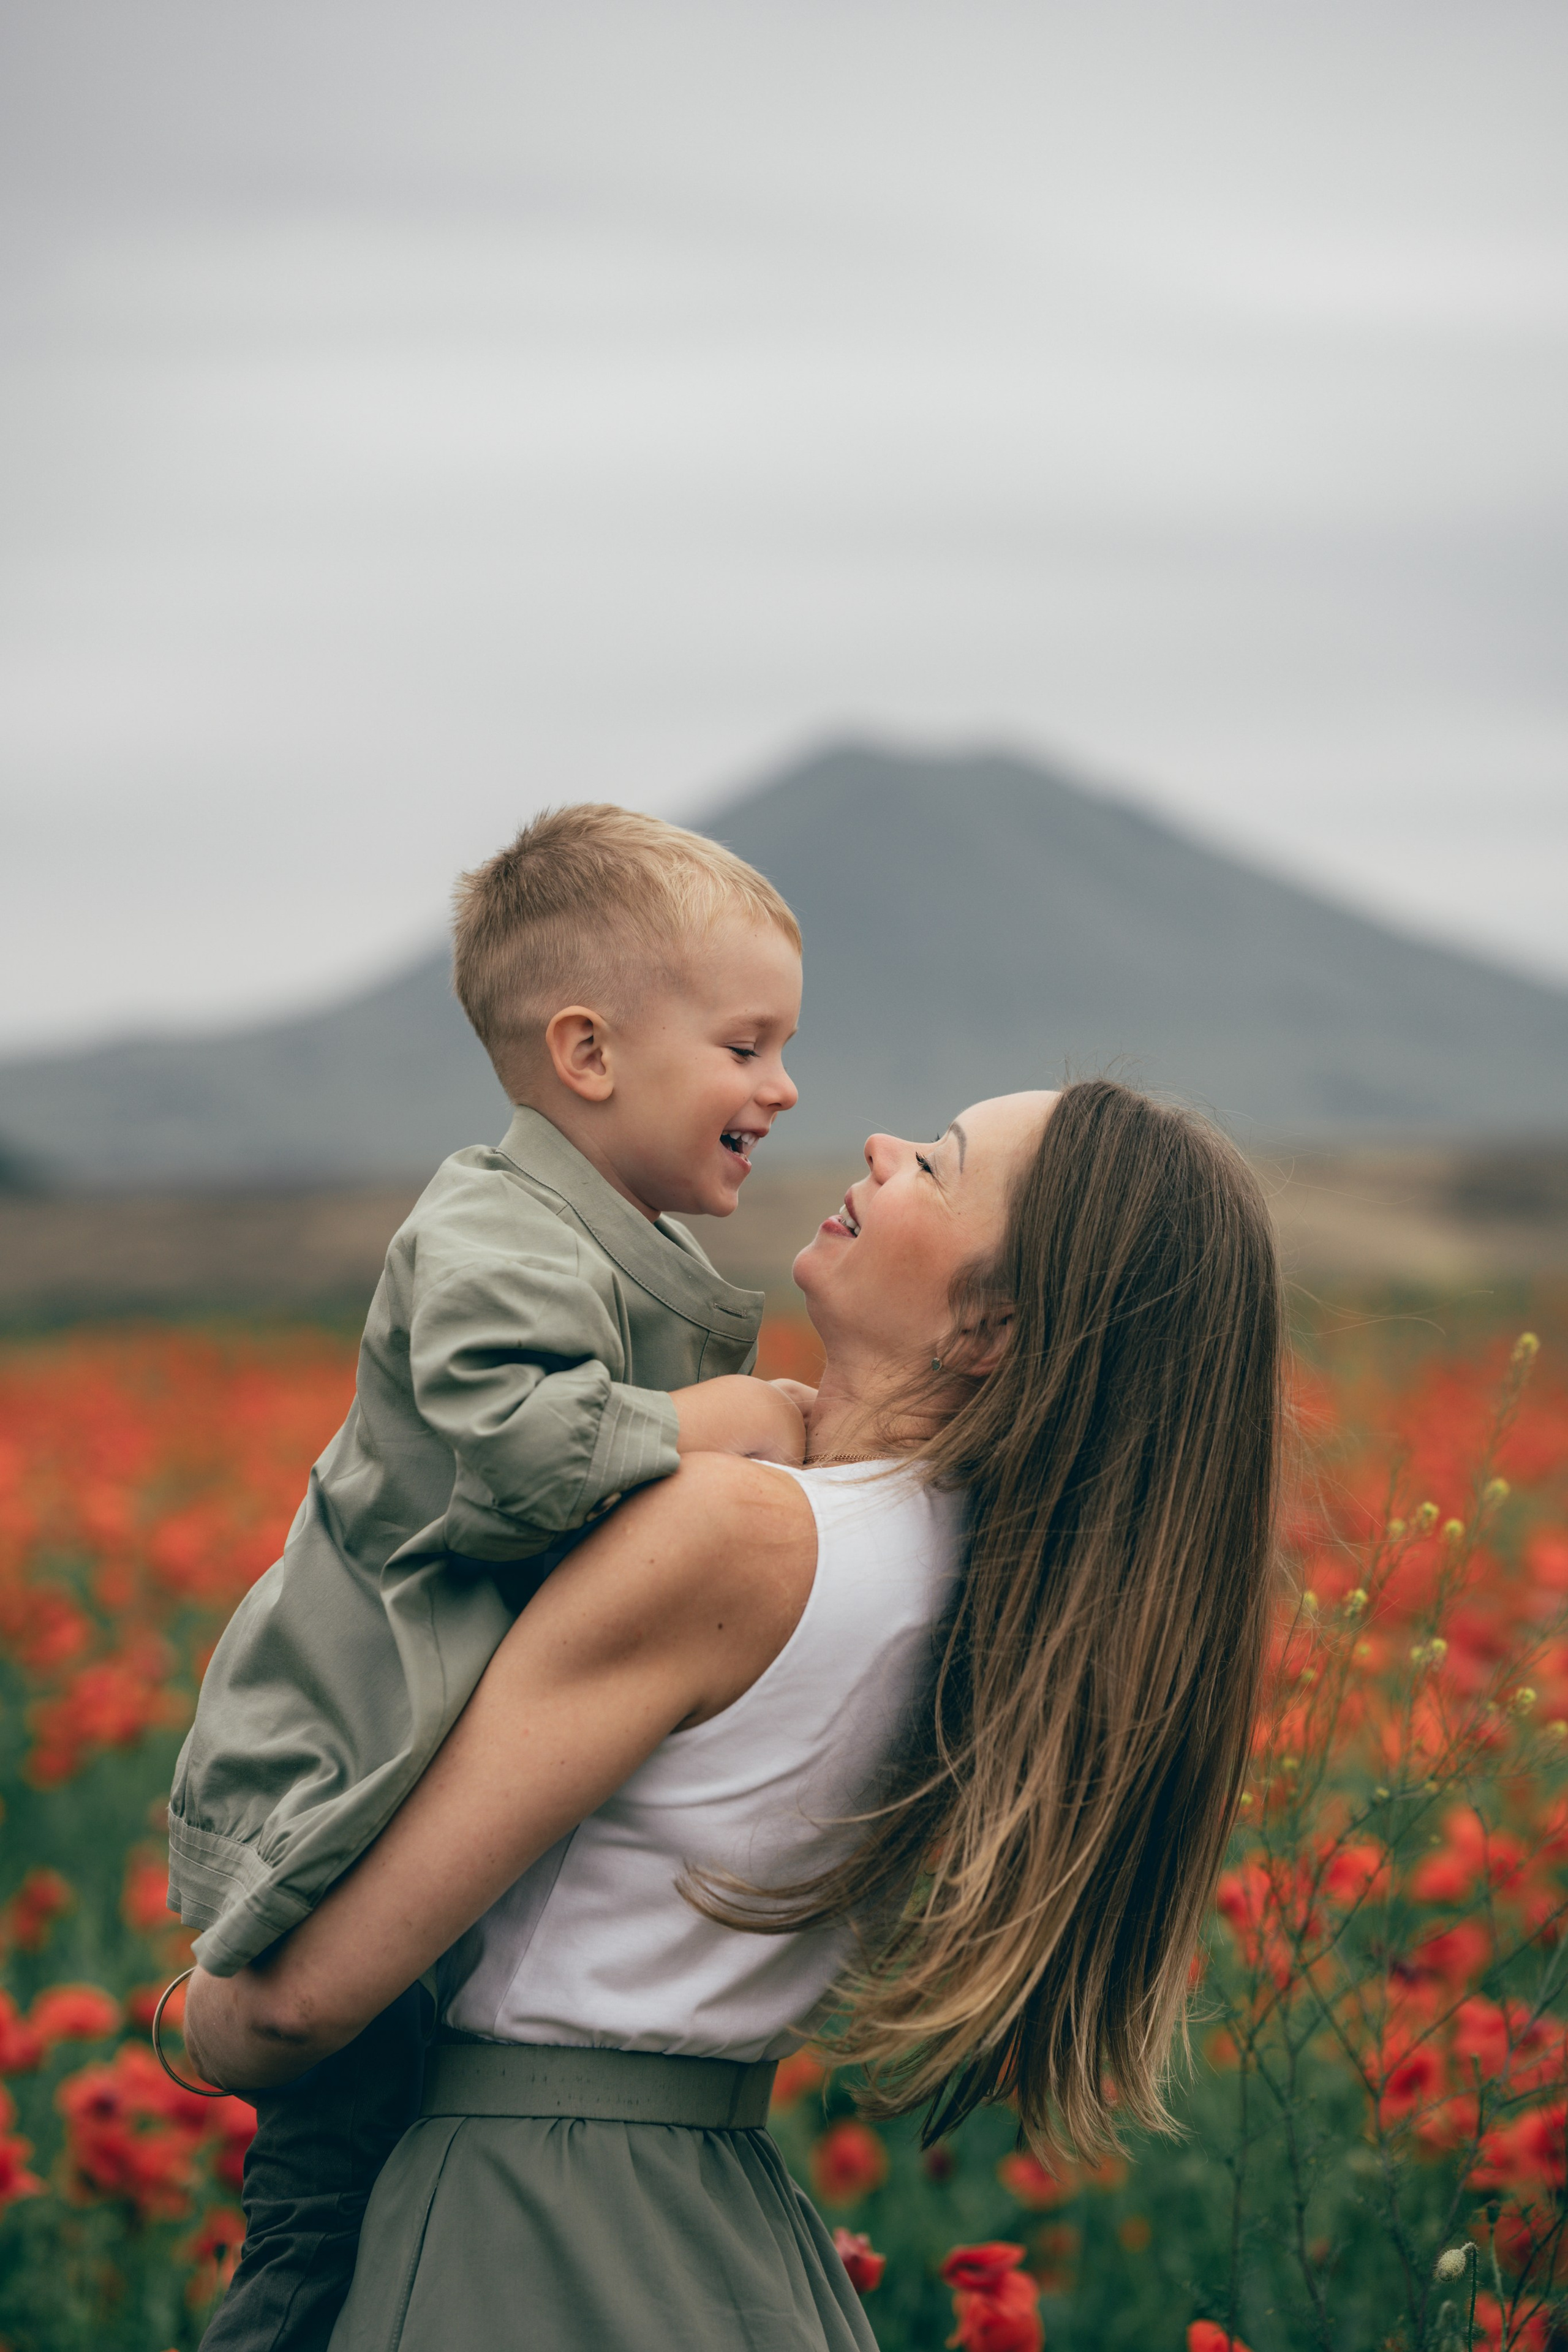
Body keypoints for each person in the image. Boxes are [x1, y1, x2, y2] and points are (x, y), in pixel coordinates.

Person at [185, 1077, 1284, 2352]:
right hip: (724, 2226)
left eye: (935, 1163)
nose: (879, 1145)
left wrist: (186, 2024)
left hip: (521, 2230)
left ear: (991, 1326)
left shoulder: (740, 1537)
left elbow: (300, 2004)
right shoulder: (991, 1590)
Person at [172, 804, 809, 2352]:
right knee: (325, 2218)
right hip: (338, 1779)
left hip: (421, 1774)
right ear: (587, 1056)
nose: (781, 1087)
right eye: (746, 1046)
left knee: (386, 2194)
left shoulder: (597, 1231)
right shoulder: (493, 1228)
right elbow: (525, 1455)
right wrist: (727, 1421)